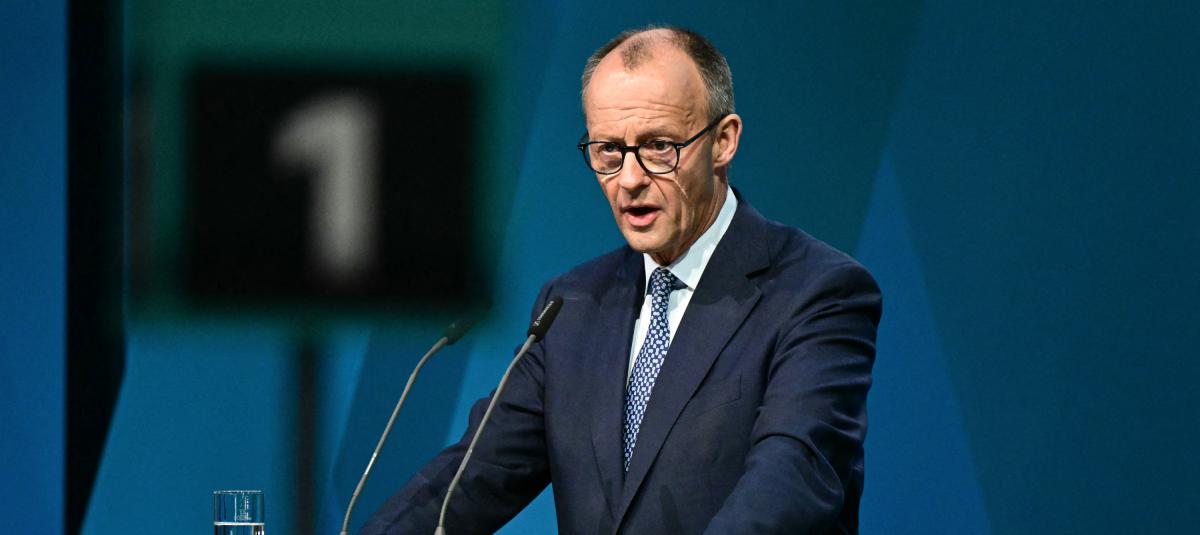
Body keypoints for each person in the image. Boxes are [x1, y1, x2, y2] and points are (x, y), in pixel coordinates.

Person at [361, 25, 881, 534]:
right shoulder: (571, 306)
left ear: (723, 141)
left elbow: (791, 482)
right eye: (609, 149)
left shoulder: (816, 293)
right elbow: (470, 479)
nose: (630, 180)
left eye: (659, 146)